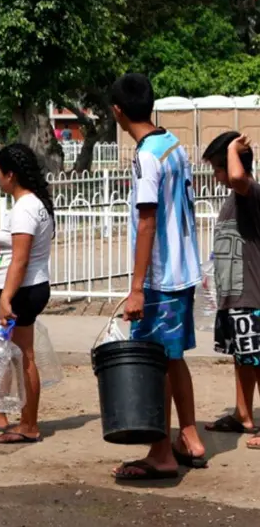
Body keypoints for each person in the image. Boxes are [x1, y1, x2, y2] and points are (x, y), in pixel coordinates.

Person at [112, 73, 206, 480]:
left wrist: (136, 288)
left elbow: (146, 220)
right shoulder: (172, 144)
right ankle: (190, 437)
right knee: (173, 359)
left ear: (117, 112)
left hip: (160, 280)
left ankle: (161, 453)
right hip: (183, 272)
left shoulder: (146, 156)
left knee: (152, 363)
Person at [0, 144, 54, 444]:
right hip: (21, 290)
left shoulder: (26, 208)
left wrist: (6, 298)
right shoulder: (31, 204)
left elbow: (20, 259)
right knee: (0, 348)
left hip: (22, 292)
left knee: (23, 357)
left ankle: (29, 424)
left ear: (11, 174)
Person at [201, 131, 260, 450]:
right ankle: (242, 414)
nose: (216, 175)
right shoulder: (235, 199)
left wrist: (235, 149)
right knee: (244, 357)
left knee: (258, 357)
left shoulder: (250, 193)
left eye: (217, 168)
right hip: (236, 296)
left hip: (253, 295)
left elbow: (238, 176)